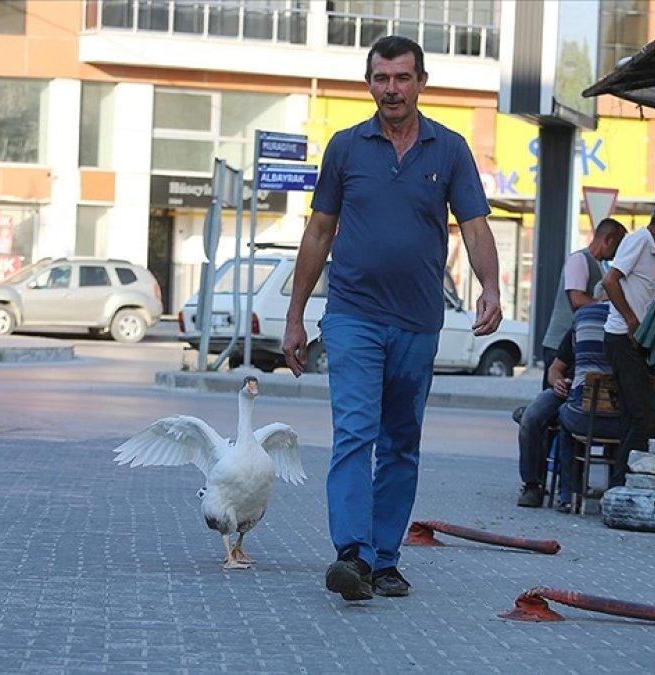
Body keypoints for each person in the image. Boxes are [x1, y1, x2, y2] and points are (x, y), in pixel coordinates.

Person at [281, 35, 501, 602]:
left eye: (402, 78)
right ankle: (352, 554)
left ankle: (384, 560)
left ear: (421, 82)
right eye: (381, 78)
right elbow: (319, 231)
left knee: (401, 442)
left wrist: (491, 287)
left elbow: (475, 226)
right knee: (356, 433)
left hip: (418, 321)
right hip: (352, 315)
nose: (392, 89)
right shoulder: (345, 148)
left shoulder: (449, 149)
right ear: (369, 84)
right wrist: (296, 316)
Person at [600, 213, 655, 488]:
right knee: (644, 418)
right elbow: (610, 281)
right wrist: (632, 321)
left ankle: (620, 484)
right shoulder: (639, 240)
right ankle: (620, 484)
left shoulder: (652, 248)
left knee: (632, 415)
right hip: (623, 338)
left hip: (636, 341)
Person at [537, 219, 627, 389]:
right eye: (618, 245)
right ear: (607, 240)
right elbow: (577, 300)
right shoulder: (579, 260)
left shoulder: (601, 267)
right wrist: (602, 303)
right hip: (560, 346)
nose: (618, 252)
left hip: (575, 345)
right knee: (556, 394)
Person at [553, 302, 624, 511]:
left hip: (582, 421)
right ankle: (616, 491)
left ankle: (568, 494)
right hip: (620, 424)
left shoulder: (582, 317)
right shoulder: (628, 322)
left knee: (564, 418)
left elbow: (557, 367)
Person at [515, 328, 574, 507]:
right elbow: (555, 369)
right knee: (531, 418)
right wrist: (558, 382)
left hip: (596, 396)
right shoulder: (578, 328)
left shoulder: (618, 328)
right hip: (565, 391)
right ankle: (532, 485)